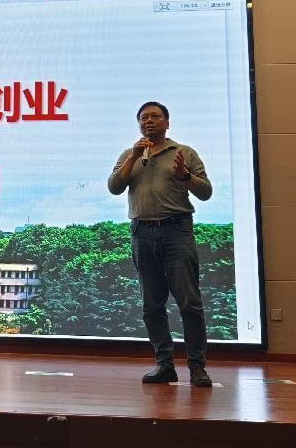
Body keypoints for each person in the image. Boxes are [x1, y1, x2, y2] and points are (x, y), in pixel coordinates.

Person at [108, 101, 214, 387]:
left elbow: (206, 192)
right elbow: (114, 187)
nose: (149, 121)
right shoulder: (130, 155)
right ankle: (164, 365)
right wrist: (133, 156)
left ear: (167, 122)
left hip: (176, 231)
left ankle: (197, 367)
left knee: (189, 303)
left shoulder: (184, 153)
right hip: (141, 233)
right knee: (152, 304)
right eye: (143, 118)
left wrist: (186, 176)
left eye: (155, 116)